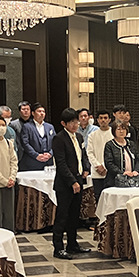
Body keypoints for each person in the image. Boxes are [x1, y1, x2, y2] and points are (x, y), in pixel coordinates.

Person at [51, 108, 91, 259]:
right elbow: (61, 164)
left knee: (74, 215)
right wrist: (72, 181)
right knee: (62, 216)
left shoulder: (79, 137)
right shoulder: (59, 139)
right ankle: (58, 248)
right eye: (71, 122)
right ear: (63, 123)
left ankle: (72, 244)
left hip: (78, 180)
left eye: (76, 122)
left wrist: (86, 168)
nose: (75, 125)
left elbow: (82, 155)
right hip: (65, 184)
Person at [103, 121, 139, 188]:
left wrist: (135, 171)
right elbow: (109, 163)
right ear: (114, 131)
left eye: (124, 129)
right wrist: (122, 173)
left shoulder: (131, 144)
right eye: (118, 129)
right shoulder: (110, 145)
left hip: (132, 179)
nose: (121, 131)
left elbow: (138, 160)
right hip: (114, 180)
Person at [86, 109, 113, 199]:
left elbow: (114, 154)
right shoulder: (92, 135)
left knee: (110, 199)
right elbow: (89, 153)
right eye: (101, 118)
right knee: (98, 197)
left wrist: (104, 166)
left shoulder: (114, 134)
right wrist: (98, 166)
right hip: (96, 171)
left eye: (105, 118)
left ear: (109, 120)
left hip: (110, 171)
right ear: (97, 120)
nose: (103, 120)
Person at [20, 103, 55, 171]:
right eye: (39, 111)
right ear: (33, 113)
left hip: (48, 162)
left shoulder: (50, 127)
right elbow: (25, 143)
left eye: (43, 111)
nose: (42, 113)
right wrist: (36, 155)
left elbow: (55, 142)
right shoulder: (27, 126)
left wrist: (50, 154)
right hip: (33, 161)